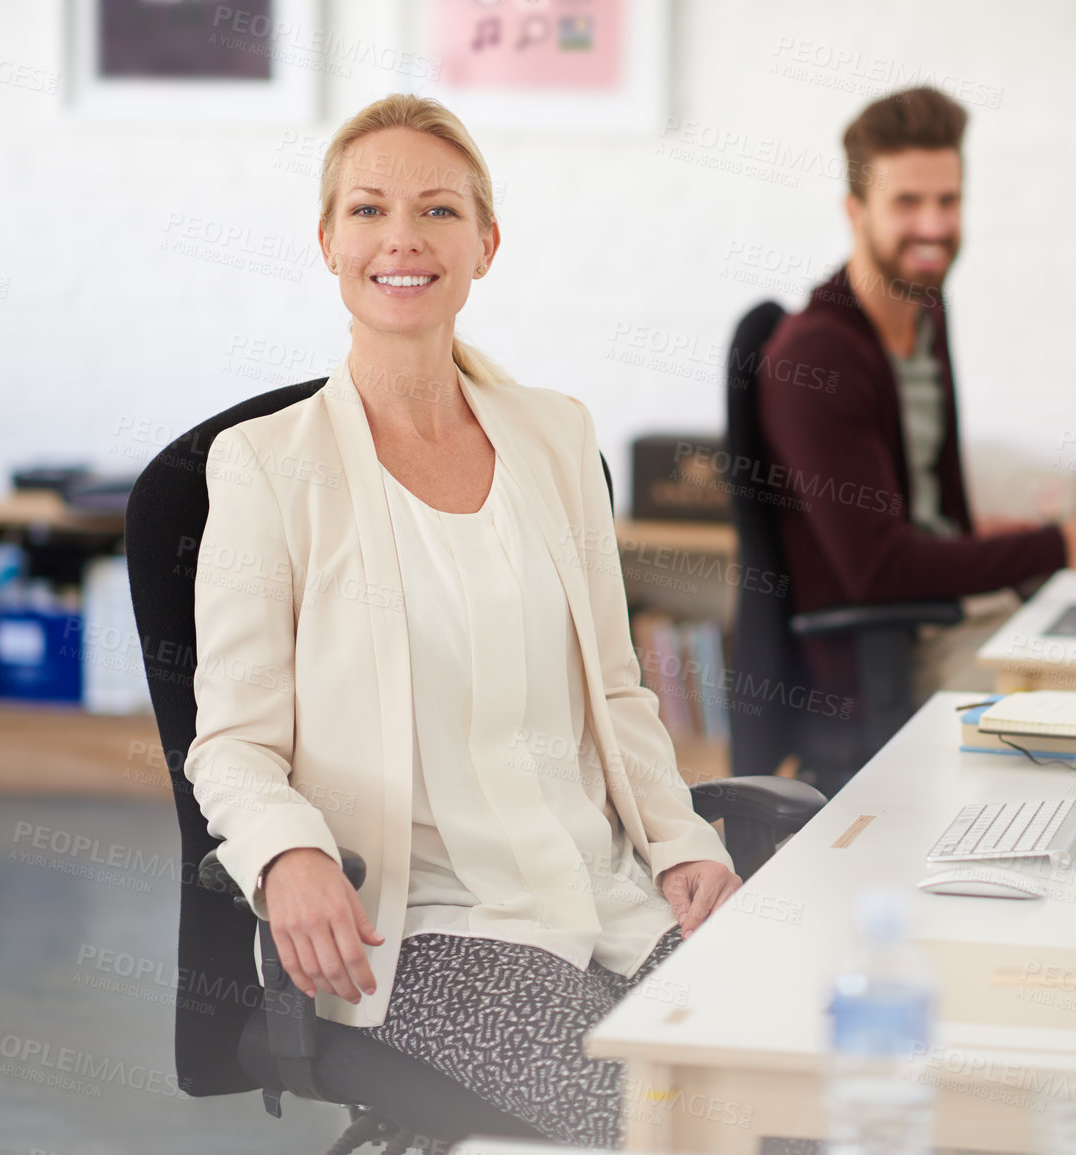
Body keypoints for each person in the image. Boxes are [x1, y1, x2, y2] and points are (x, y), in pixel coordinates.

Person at [184, 94, 741, 1146]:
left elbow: (615, 689)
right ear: (328, 242)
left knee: (777, 1079)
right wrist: (287, 855)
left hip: (603, 887)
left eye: (439, 211)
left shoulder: (556, 438)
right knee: (659, 1120)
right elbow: (234, 745)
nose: (402, 237)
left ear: (485, 245)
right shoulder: (268, 468)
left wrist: (676, 839)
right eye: (368, 209)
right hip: (419, 922)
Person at [756, 87, 1076, 703]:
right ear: (855, 211)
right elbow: (878, 569)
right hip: (899, 651)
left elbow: (918, 511)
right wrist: (1061, 545)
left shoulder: (924, 307)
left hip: (957, 613)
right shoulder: (816, 355)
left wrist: (1011, 539)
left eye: (948, 200)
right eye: (907, 202)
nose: (933, 226)